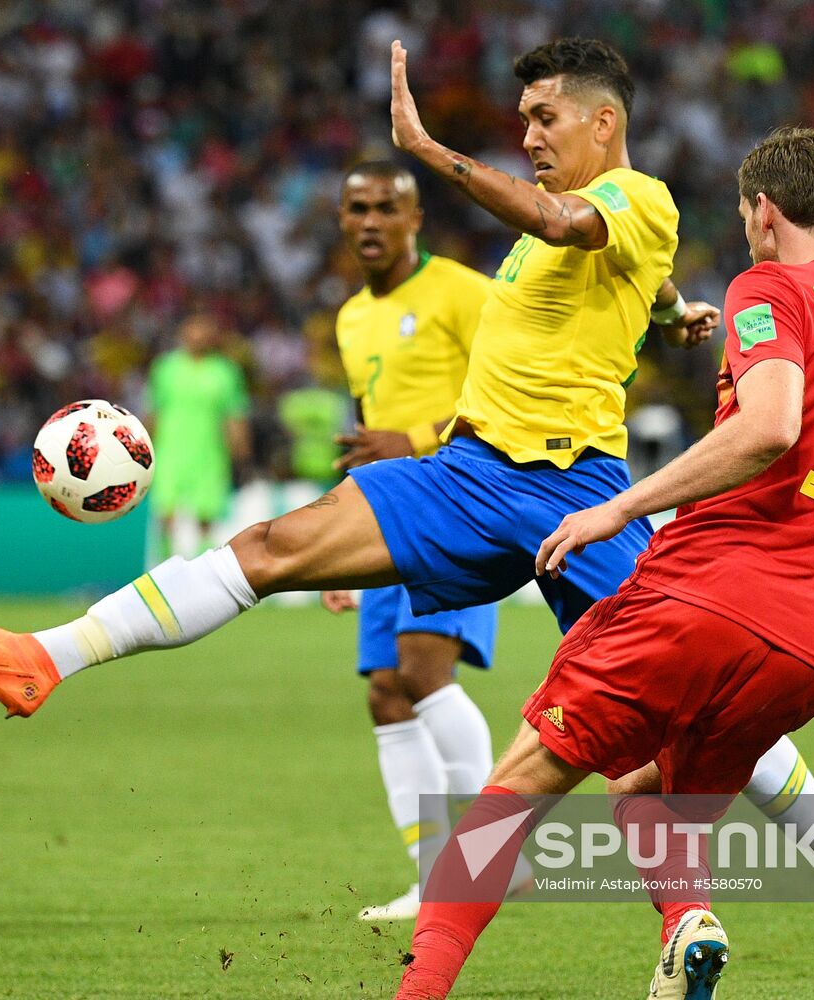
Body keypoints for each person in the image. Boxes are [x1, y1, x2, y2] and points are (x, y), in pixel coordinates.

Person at [0, 41, 814, 989]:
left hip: (575, 490)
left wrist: (430, 152)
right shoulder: (583, 238)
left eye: (543, 118)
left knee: (683, 706)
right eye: (521, 121)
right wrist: (669, 313)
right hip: (467, 470)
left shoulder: (635, 196)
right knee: (273, 547)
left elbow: (572, 225)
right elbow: (610, 268)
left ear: (604, 123)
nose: (528, 136)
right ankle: (44, 657)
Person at [394, 125, 814, 1000]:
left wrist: (617, 505)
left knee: (515, 789)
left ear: (764, 213)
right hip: (809, 649)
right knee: (644, 794)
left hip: (702, 598)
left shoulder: (769, 287)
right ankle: (727, 919)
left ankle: (413, 992)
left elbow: (769, 426)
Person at [322, 160, 507, 920]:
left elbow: (512, 388)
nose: (370, 221)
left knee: (423, 668)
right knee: (385, 693)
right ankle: (433, 875)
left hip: (461, 501)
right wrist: (338, 548)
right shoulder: (349, 318)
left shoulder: (465, 292)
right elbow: (369, 439)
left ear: (415, 217)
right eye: (356, 207)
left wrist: (418, 438)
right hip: (388, 516)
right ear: (342, 219)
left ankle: (499, 852)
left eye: (384, 208)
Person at [147, 312, 250, 557]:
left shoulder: (225, 372)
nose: (198, 336)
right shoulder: (166, 368)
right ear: (183, 333)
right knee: (166, 513)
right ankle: (165, 565)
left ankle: (201, 569)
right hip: (169, 450)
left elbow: (234, 415)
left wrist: (242, 453)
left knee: (206, 515)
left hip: (210, 452)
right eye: (194, 329)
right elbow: (154, 410)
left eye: (204, 331)